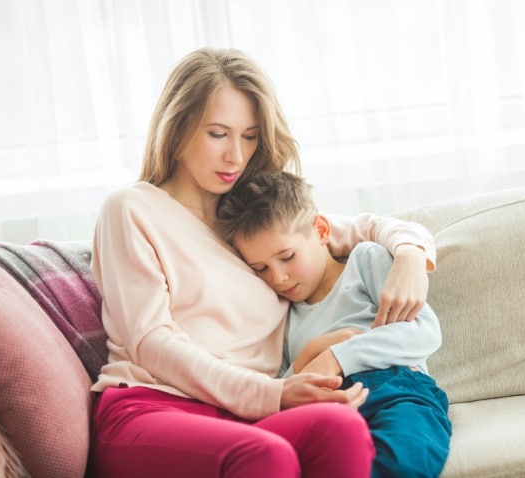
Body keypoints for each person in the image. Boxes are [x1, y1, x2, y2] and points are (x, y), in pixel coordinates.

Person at [88, 46, 438, 478]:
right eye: (218, 134)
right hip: (153, 405)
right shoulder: (130, 209)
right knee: (265, 455)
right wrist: (274, 393)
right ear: (177, 131)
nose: (236, 156)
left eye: (249, 136)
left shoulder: (250, 225)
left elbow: (354, 228)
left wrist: (411, 254)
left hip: (249, 415)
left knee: (341, 426)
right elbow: (151, 342)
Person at [217, 170, 452, 478]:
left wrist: (338, 356)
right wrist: (310, 355)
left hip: (396, 390)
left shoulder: (364, 260)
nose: (278, 277)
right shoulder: (282, 312)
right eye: (260, 268)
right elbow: (285, 384)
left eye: (287, 256)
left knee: (401, 461)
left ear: (321, 230)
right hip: (323, 407)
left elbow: (423, 332)